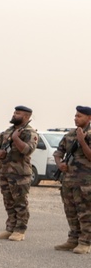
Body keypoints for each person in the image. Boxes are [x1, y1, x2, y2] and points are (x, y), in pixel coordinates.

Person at [0, 106, 38, 241]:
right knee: (8, 201)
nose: (14, 115)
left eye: (18, 113)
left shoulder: (30, 132)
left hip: (20, 174)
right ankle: (10, 227)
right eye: (14, 112)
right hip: (5, 172)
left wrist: (16, 139)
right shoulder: (8, 131)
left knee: (20, 202)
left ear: (27, 117)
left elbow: (27, 150)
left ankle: (20, 230)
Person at [53, 105, 91, 254]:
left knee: (85, 212)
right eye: (75, 116)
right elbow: (58, 152)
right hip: (68, 181)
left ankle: (85, 242)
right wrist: (59, 164)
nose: (76, 118)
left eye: (79, 116)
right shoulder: (69, 135)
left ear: (89, 118)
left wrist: (82, 141)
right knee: (70, 211)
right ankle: (73, 239)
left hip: (85, 182)